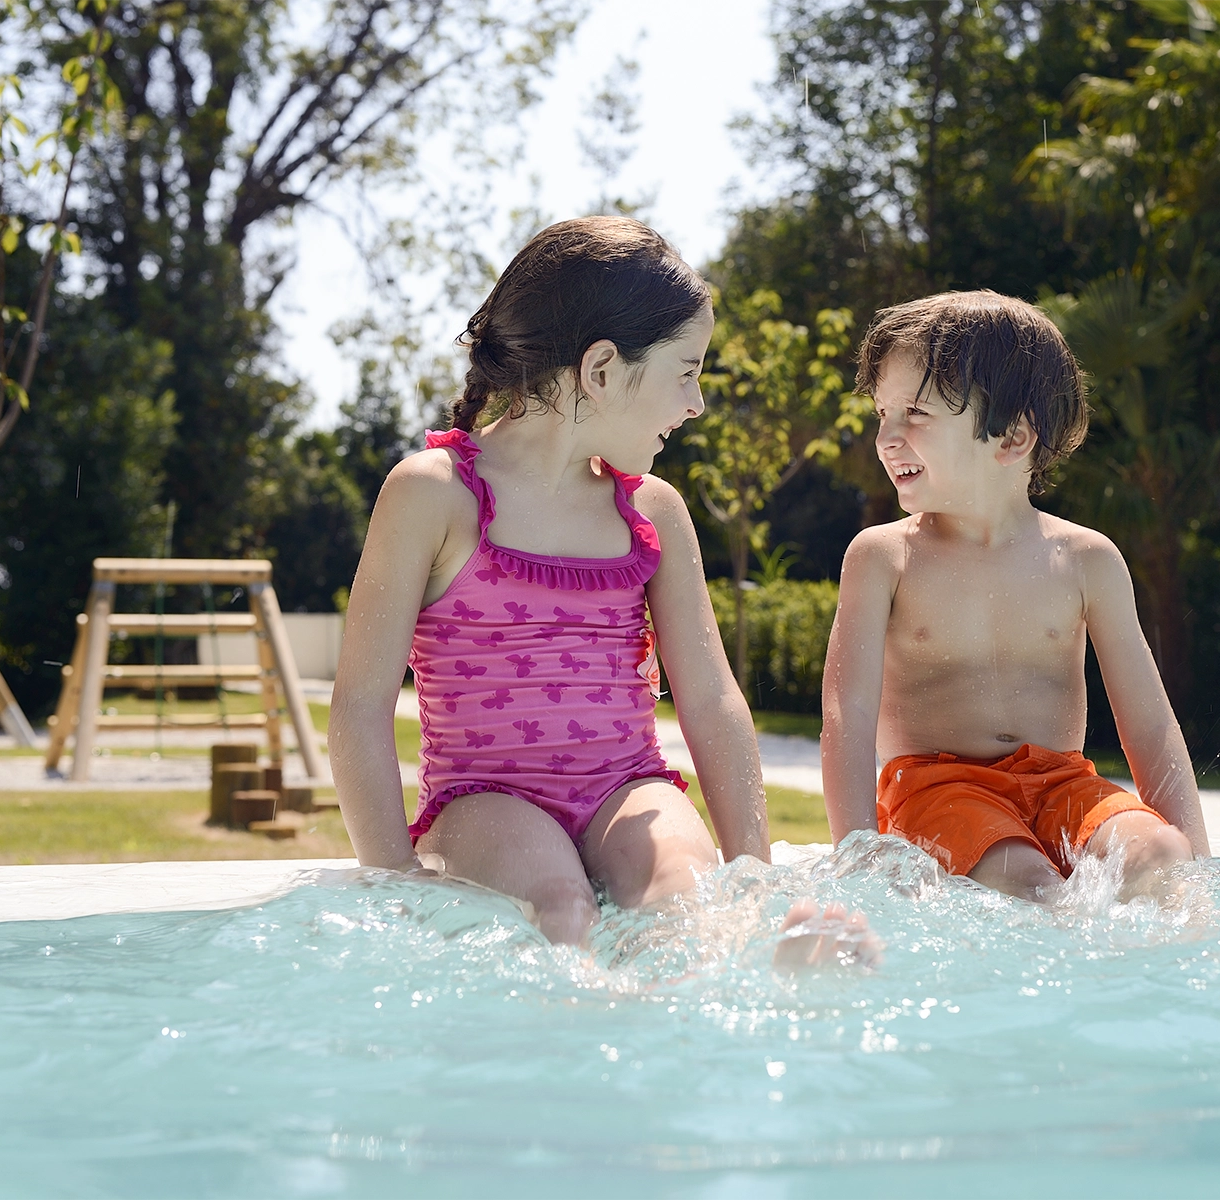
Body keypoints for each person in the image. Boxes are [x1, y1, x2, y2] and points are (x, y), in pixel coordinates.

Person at [332, 216, 870, 964]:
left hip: (627, 788)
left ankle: (769, 961)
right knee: (560, 906)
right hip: (485, 801)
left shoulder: (650, 510)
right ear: (602, 369)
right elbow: (359, 705)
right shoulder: (436, 494)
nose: (697, 405)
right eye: (687, 371)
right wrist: (390, 873)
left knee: (687, 895)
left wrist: (754, 873)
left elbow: (712, 702)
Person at [820, 291, 1210, 903]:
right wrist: (857, 857)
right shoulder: (883, 558)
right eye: (881, 414)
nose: (886, 437)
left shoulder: (1087, 560)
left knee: (1159, 855)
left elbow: (1150, 725)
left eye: (916, 414)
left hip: (1061, 785)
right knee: (1028, 883)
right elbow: (846, 718)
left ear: (1012, 438)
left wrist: (1196, 865)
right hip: (935, 789)